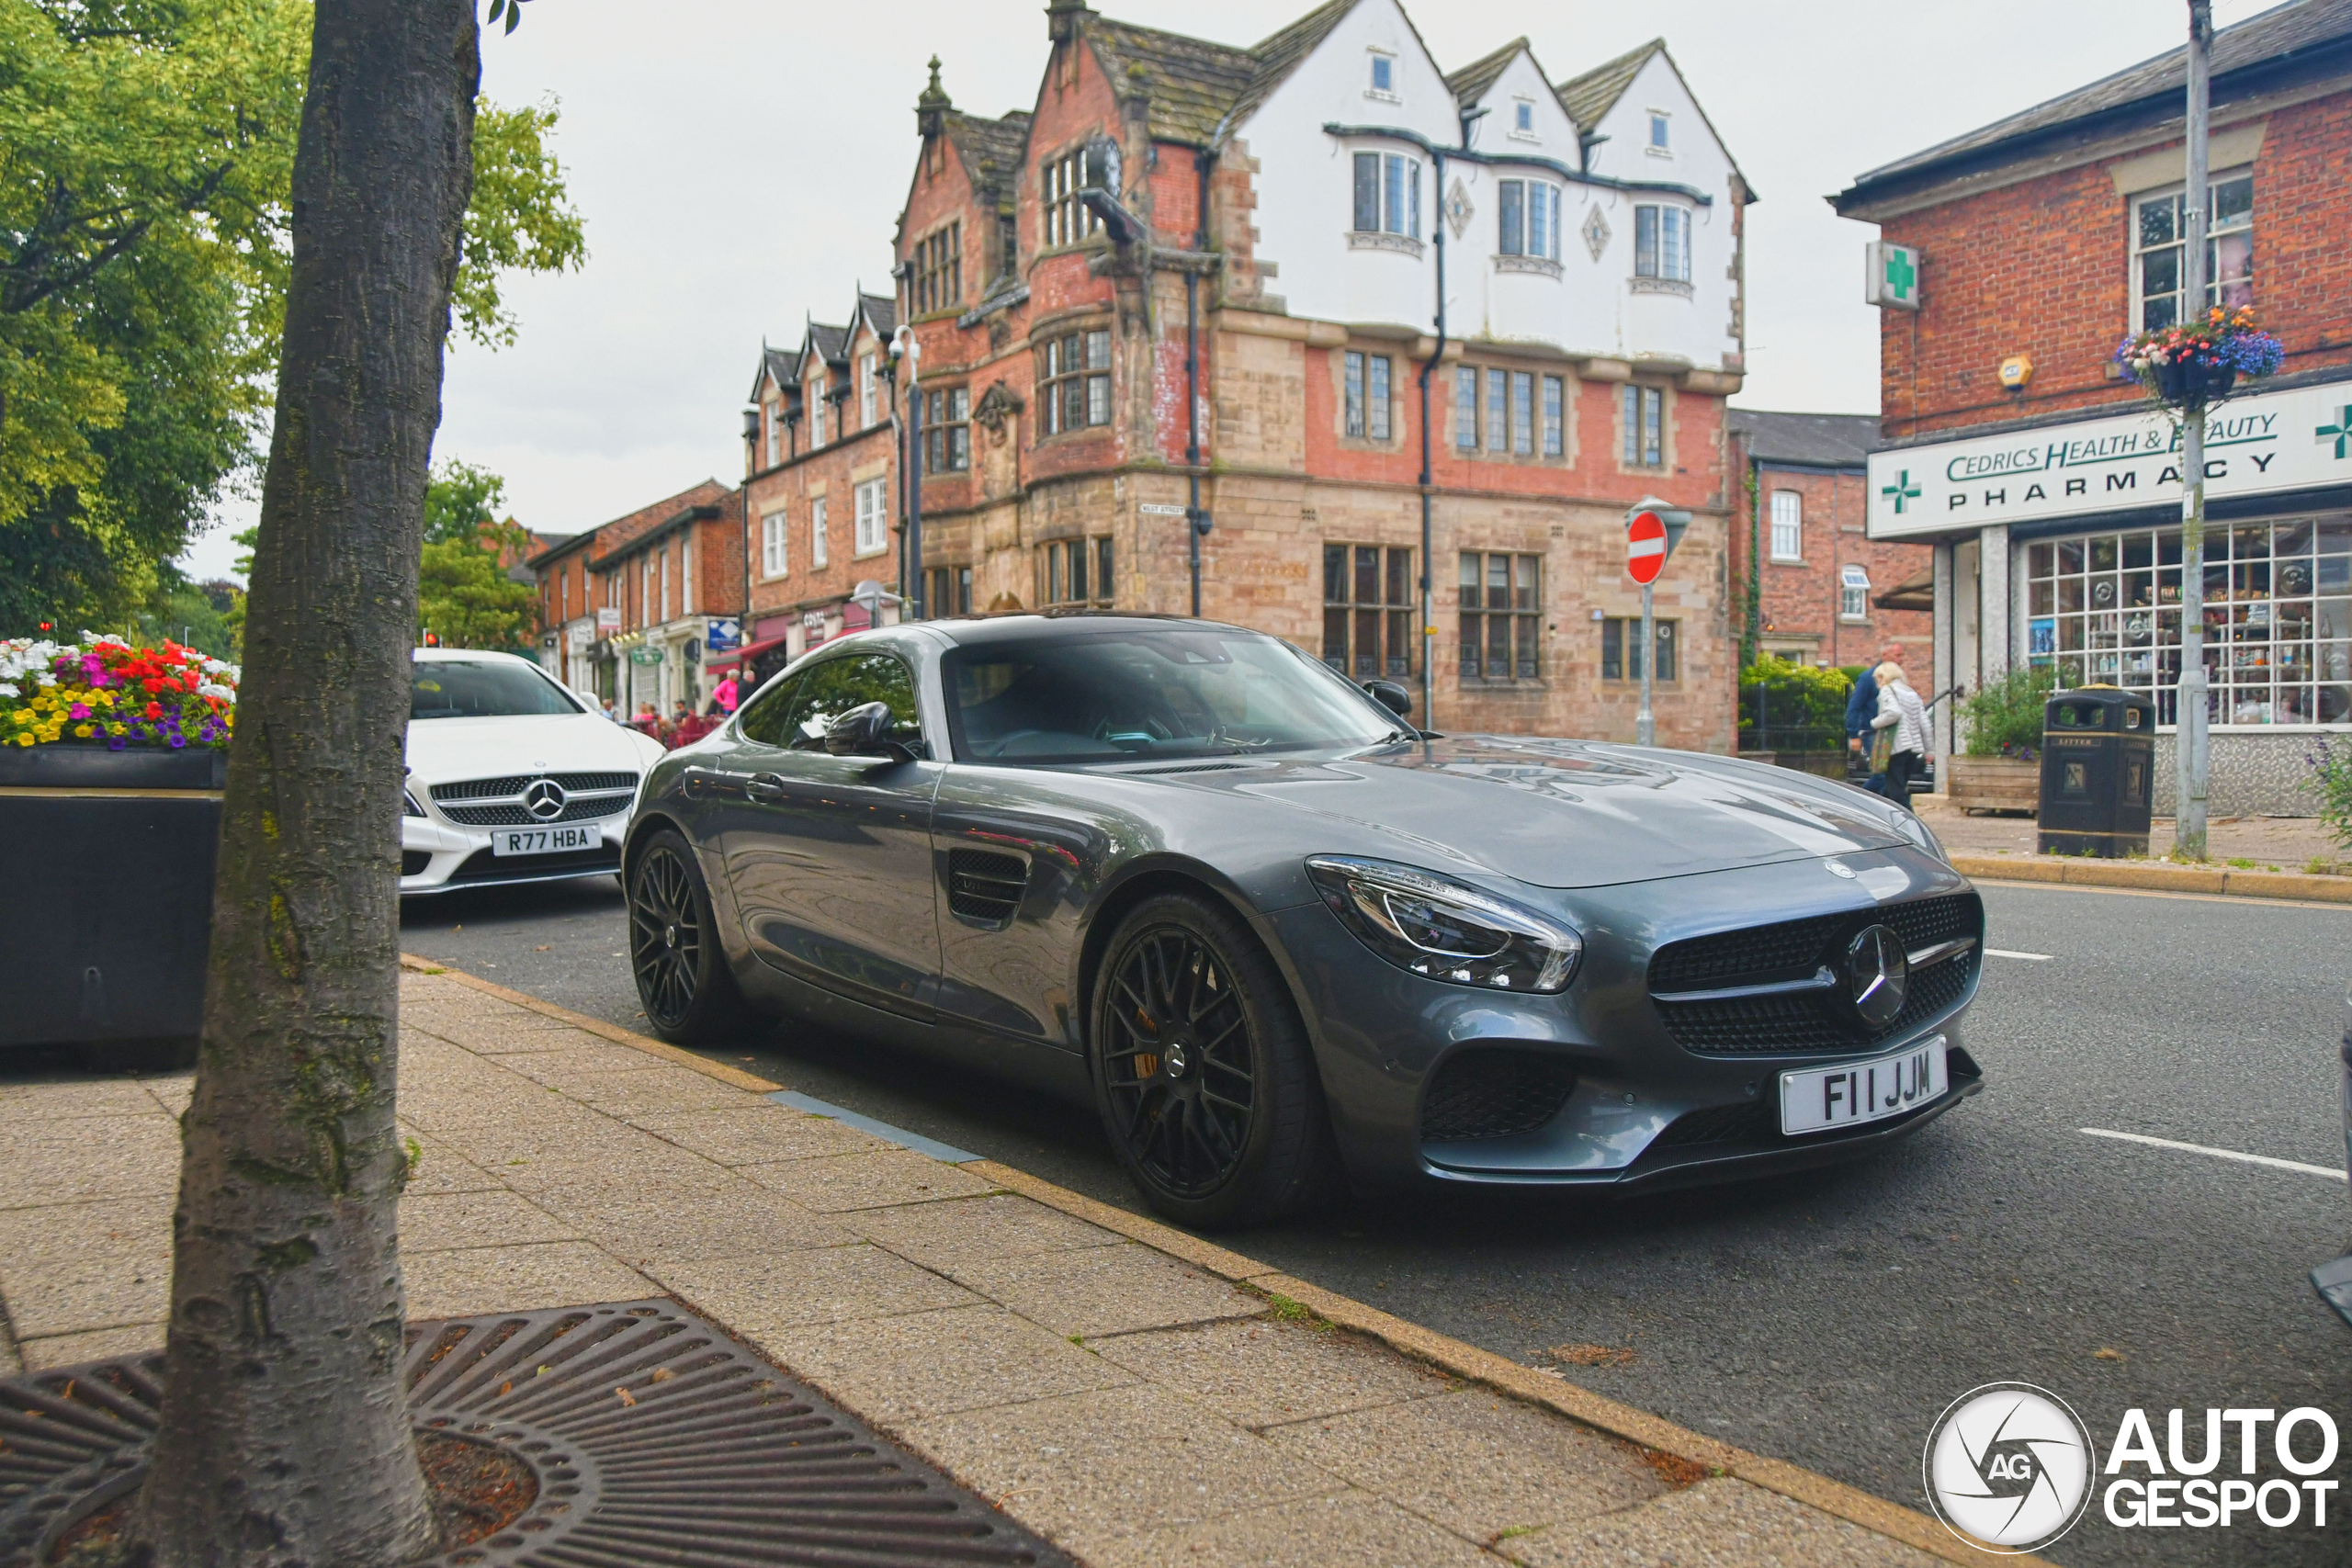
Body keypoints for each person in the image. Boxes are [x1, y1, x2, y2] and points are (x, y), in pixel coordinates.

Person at [1845, 640, 1905, 795]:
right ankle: (1858, 801)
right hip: (1873, 733)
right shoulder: (1868, 678)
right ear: (1885, 655)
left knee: (1892, 775)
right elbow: (1854, 706)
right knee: (1881, 775)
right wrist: (1853, 734)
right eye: (1897, 655)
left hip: (1892, 733)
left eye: (1902, 656)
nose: (1901, 660)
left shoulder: (1898, 679)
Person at [1870, 661, 1930, 808]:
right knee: (1893, 788)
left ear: (1883, 676)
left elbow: (1893, 713)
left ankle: (1911, 822)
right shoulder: (1911, 692)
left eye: (1878, 678)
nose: (1877, 682)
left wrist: (1874, 723)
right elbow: (1925, 723)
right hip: (1913, 748)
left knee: (1896, 792)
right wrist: (1930, 750)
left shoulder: (1887, 690)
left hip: (1896, 746)